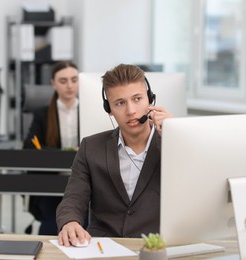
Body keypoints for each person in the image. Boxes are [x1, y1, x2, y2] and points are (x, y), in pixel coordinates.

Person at [56, 63, 173, 247]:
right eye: (120, 103)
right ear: (108, 108)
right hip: (103, 247)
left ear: (150, 100)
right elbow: (73, 197)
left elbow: (197, 190)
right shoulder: (90, 147)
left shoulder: (172, 143)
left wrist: (175, 137)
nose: (131, 111)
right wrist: (70, 221)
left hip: (156, 247)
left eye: (137, 99)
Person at [23, 61, 79, 235]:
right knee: (50, 227)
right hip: (51, 181)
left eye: (74, 80)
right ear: (53, 83)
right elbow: (29, 147)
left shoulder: (89, 110)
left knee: (81, 227)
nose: (69, 86)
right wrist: (64, 155)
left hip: (81, 182)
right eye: (63, 81)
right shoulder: (42, 113)